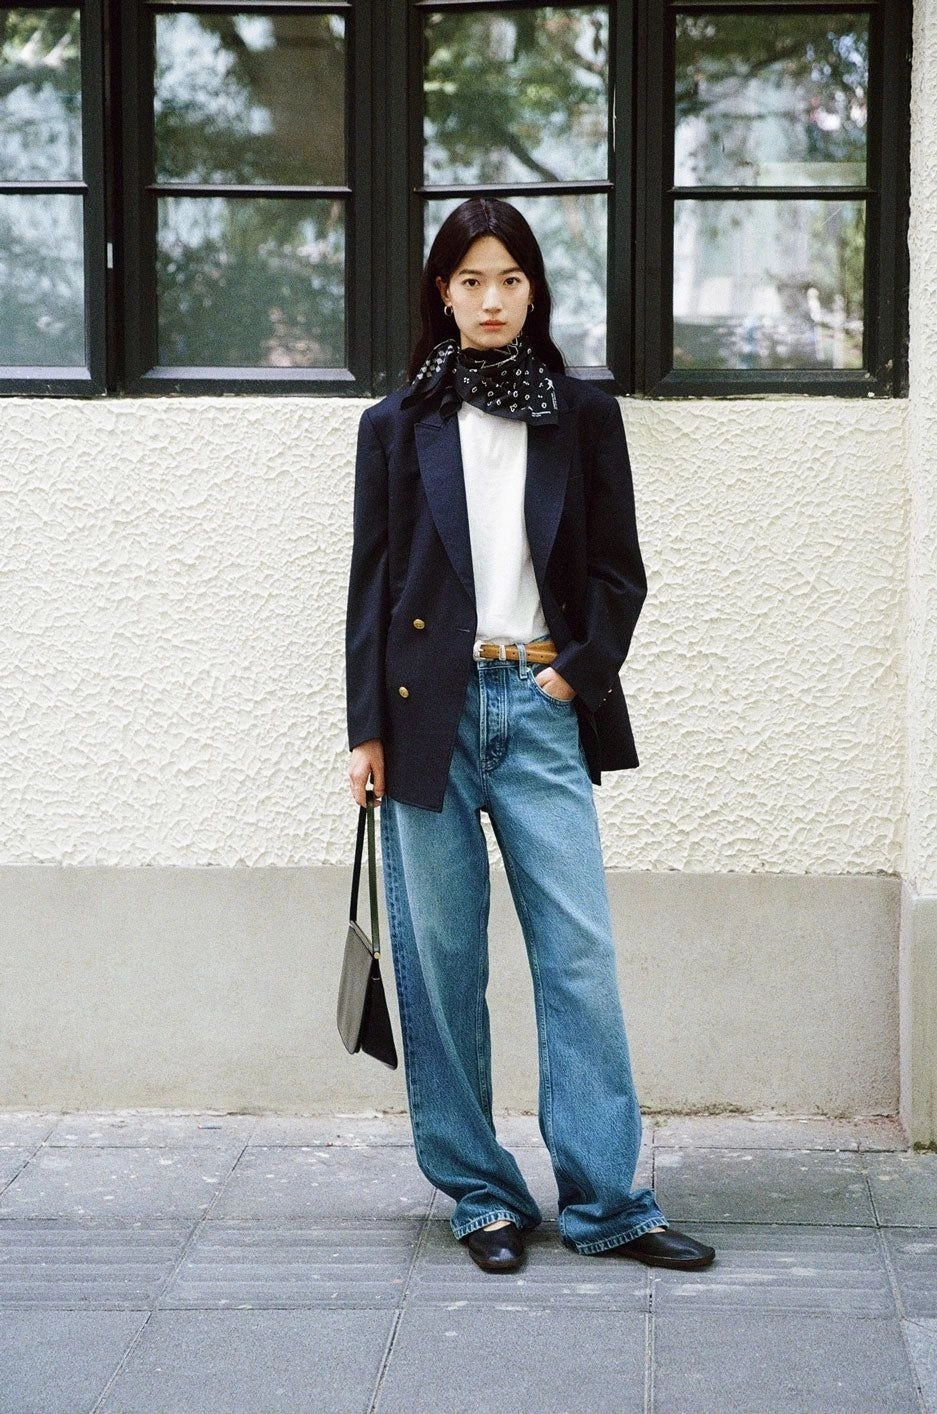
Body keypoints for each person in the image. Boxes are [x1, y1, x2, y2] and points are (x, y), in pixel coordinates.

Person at [345, 197, 715, 1276]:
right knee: (442, 963)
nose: (492, 299)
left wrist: (573, 675)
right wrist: (364, 730)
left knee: (577, 956)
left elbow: (617, 570)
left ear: (533, 289)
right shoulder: (394, 424)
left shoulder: (581, 414)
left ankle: (610, 1204)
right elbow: (371, 588)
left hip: (540, 705)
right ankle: (481, 1196)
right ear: (442, 293)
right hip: (426, 716)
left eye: (509, 279)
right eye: (471, 280)